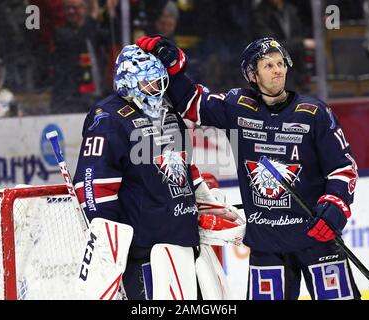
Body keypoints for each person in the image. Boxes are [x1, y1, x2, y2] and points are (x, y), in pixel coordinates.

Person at [136, 35, 361, 300]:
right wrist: (173, 66)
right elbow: (190, 102)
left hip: (316, 239)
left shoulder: (315, 113)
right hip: (268, 243)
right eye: (268, 65)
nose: (278, 70)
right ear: (252, 75)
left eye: (281, 63)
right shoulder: (238, 107)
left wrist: (335, 206)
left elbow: (343, 167)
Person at [72, 44, 244, 300]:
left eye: (159, 81)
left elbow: (184, 166)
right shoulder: (107, 118)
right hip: (145, 251)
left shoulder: (169, 112)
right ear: (128, 83)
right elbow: (93, 186)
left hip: (186, 240)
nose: (157, 89)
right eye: (149, 82)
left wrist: (204, 200)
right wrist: (111, 243)